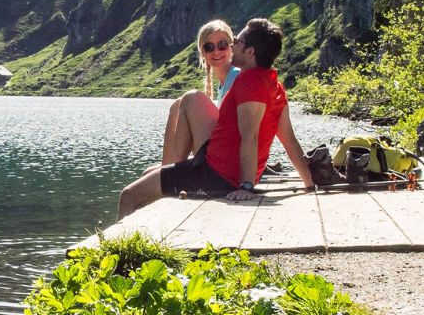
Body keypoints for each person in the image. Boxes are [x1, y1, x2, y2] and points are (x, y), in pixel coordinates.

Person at [118, 18, 314, 220]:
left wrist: (246, 186)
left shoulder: (249, 82)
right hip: (218, 171)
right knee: (148, 184)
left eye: (236, 41)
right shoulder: (275, 86)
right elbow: (289, 140)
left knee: (128, 196)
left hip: (214, 175)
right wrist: (309, 184)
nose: (232, 45)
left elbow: (250, 136)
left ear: (250, 52)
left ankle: (116, 250)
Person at [158, 19, 240, 166]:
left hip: (230, 159)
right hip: (221, 151)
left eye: (222, 45)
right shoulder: (223, 83)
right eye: (209, 47)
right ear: (203, 52)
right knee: (177, 105)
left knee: (191, 98)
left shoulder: (236, 76)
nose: (216, 51)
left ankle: (172, 174)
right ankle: (168, 168)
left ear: (231, 47)